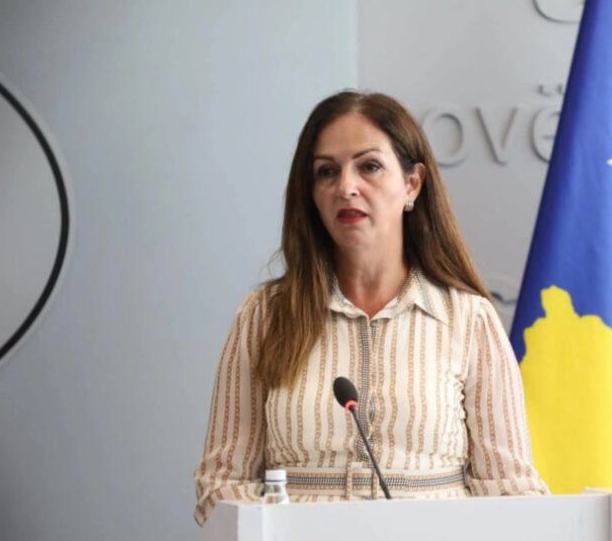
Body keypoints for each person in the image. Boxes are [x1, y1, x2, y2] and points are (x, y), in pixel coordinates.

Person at [193, 91, 549, 526]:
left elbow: (510, 491)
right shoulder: (263, 316)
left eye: (369, 166)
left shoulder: (470, 319)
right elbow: (221, 483)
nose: (346, 187)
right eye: (327, 171)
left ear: (412, 184)